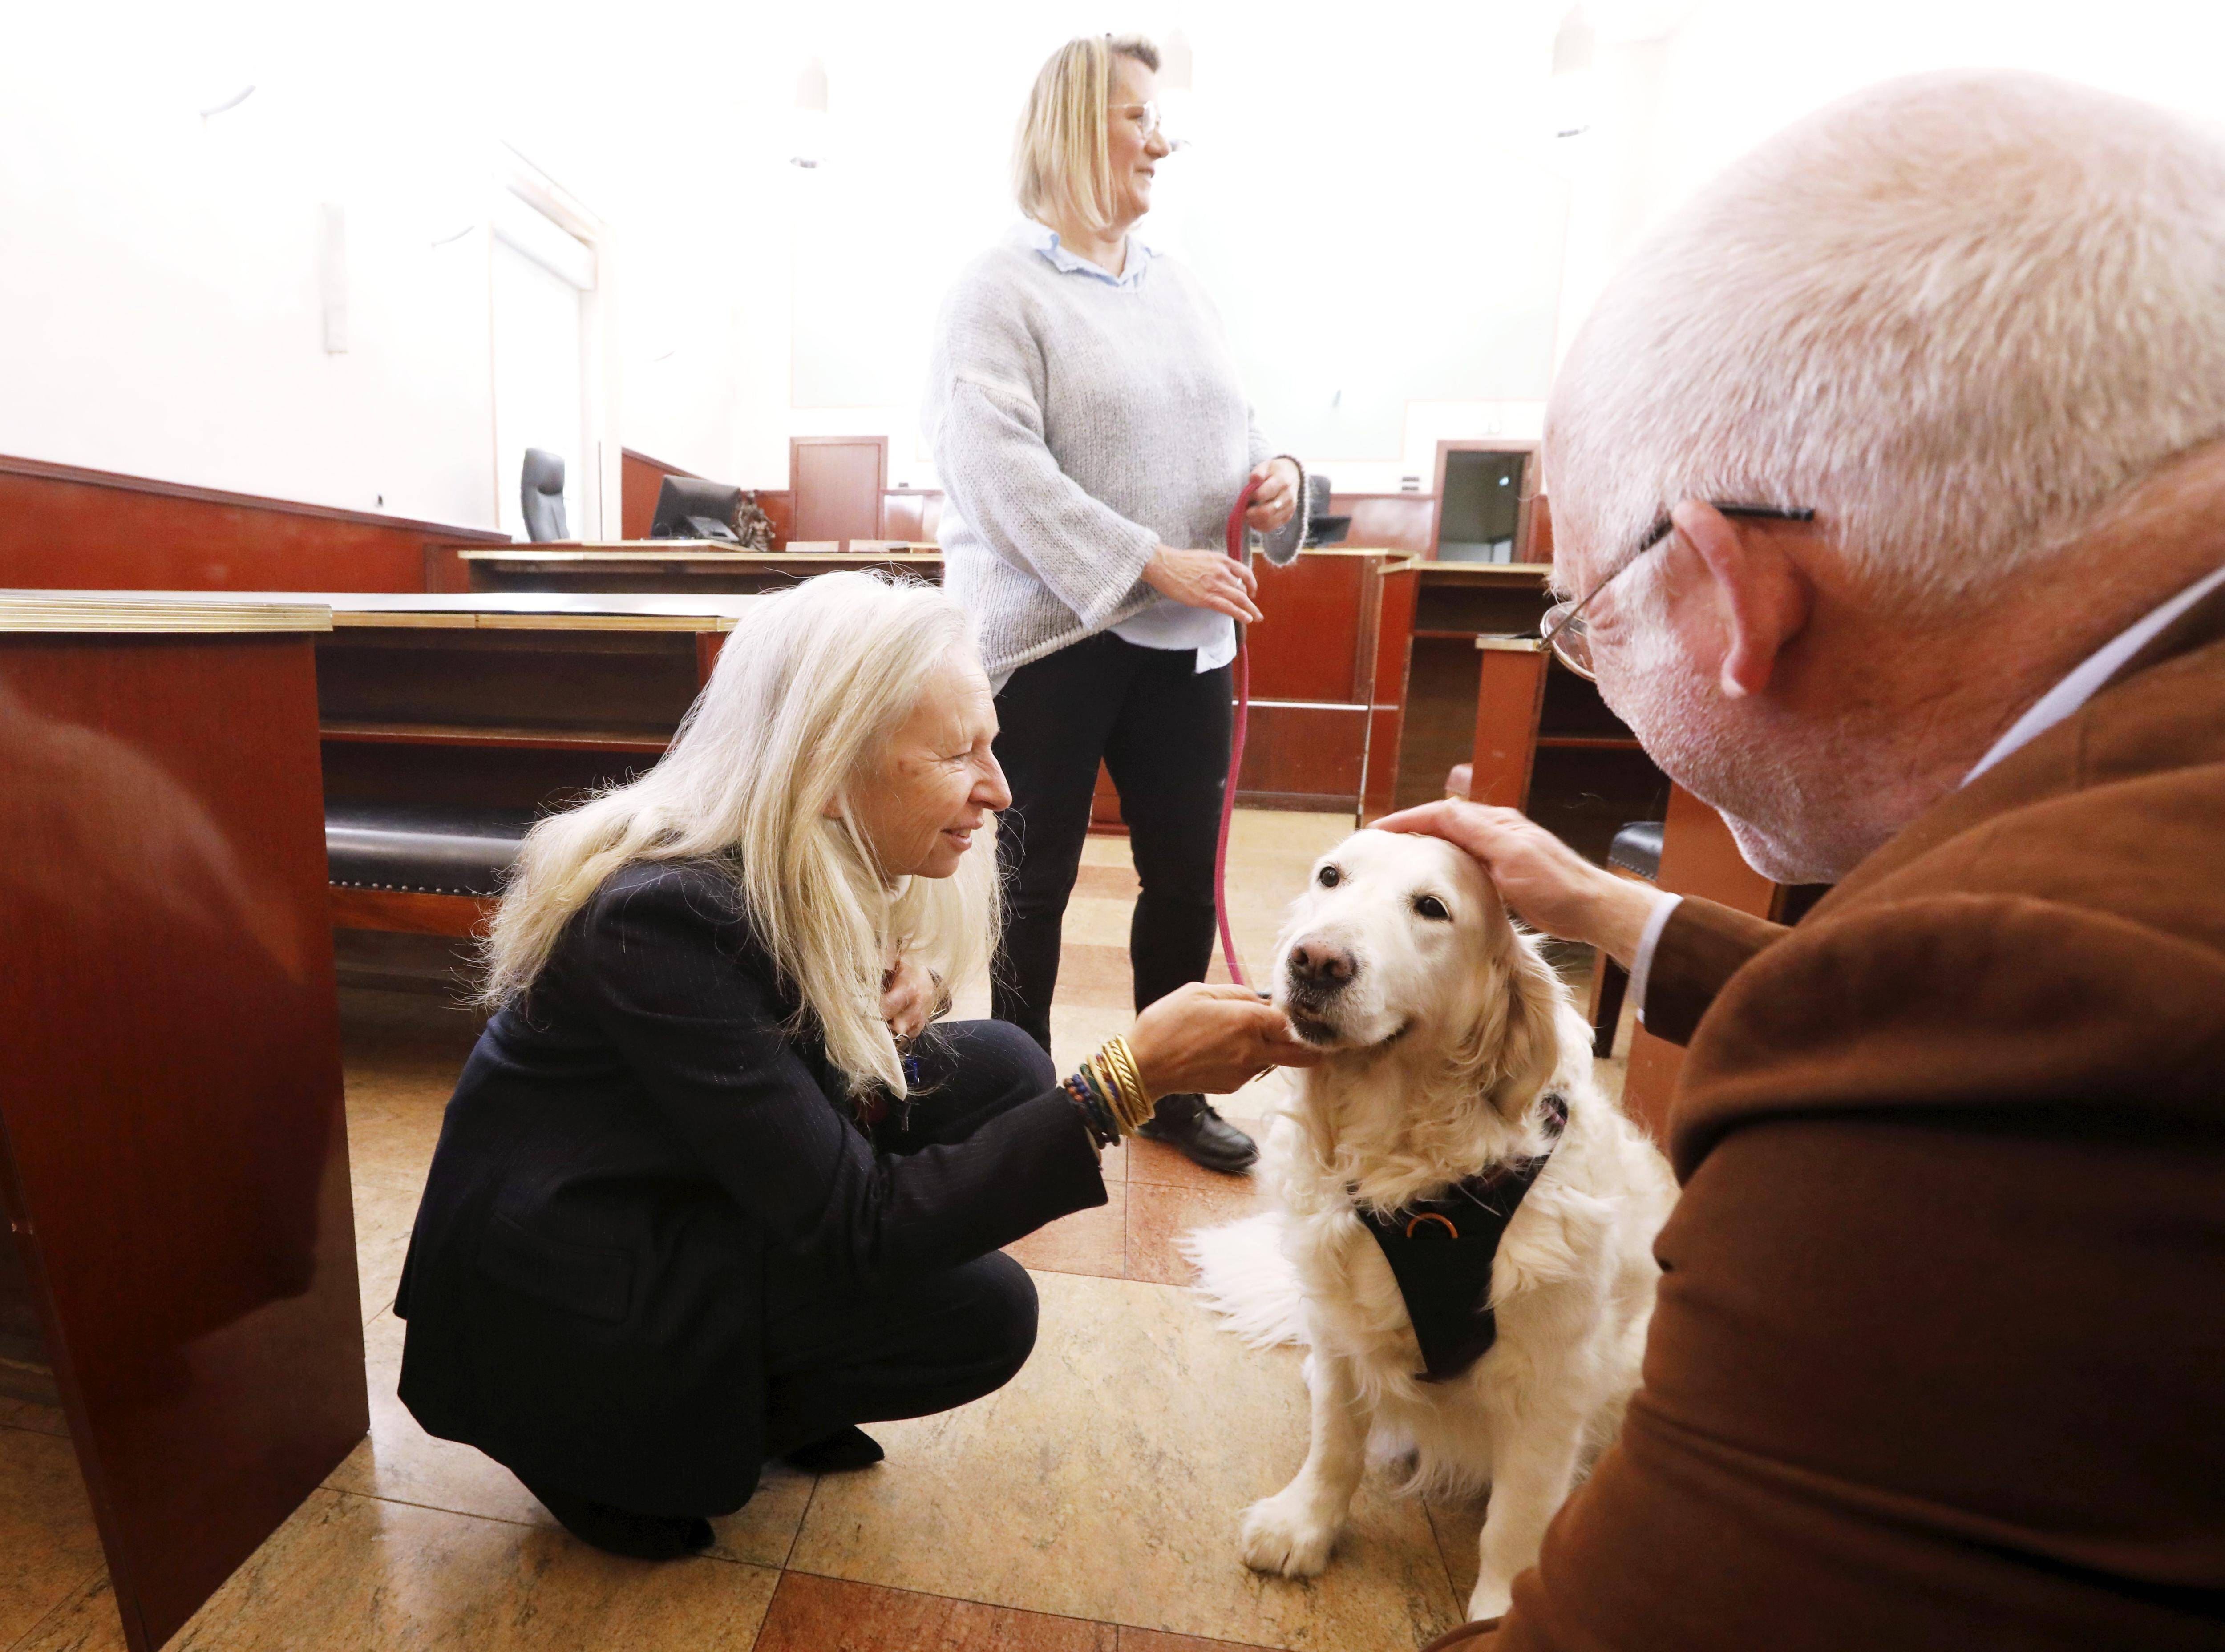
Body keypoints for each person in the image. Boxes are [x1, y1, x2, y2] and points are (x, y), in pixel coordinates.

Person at [1385, 71, 2225, 1652]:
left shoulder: (2029, 1011)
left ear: (1728, 592)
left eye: (1583, 625)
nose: (1584, 665)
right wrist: (1610, 906)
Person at [394, 573, 1319, 1561]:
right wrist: (1125, 1081)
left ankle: (768, 1383)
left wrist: (887, 983)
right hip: (572, 1293)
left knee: (1002, 1062)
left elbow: (772, 1033)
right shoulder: (656, 917)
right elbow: (858, 1226)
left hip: (674, 1186)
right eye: (960, 753)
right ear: (827, 767)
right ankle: (609, 1448)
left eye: (992, 744)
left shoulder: (778, 847)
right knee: (984, 1313)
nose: (1001, 791)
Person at [923, 32, 1308, 1175]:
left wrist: (1278, 479)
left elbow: (1232, 428)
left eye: (1159, 117)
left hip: (1186, 641)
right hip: (1056, 634)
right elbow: (994, 467)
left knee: (1182, 877)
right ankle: (1017, 1096)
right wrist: (1148, 559)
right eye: (1138, 115)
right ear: (1075, 126)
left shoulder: (1175, 284)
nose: (1160, 138)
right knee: (1029, 883)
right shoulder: (1001, 289)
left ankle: (1171, 1092)